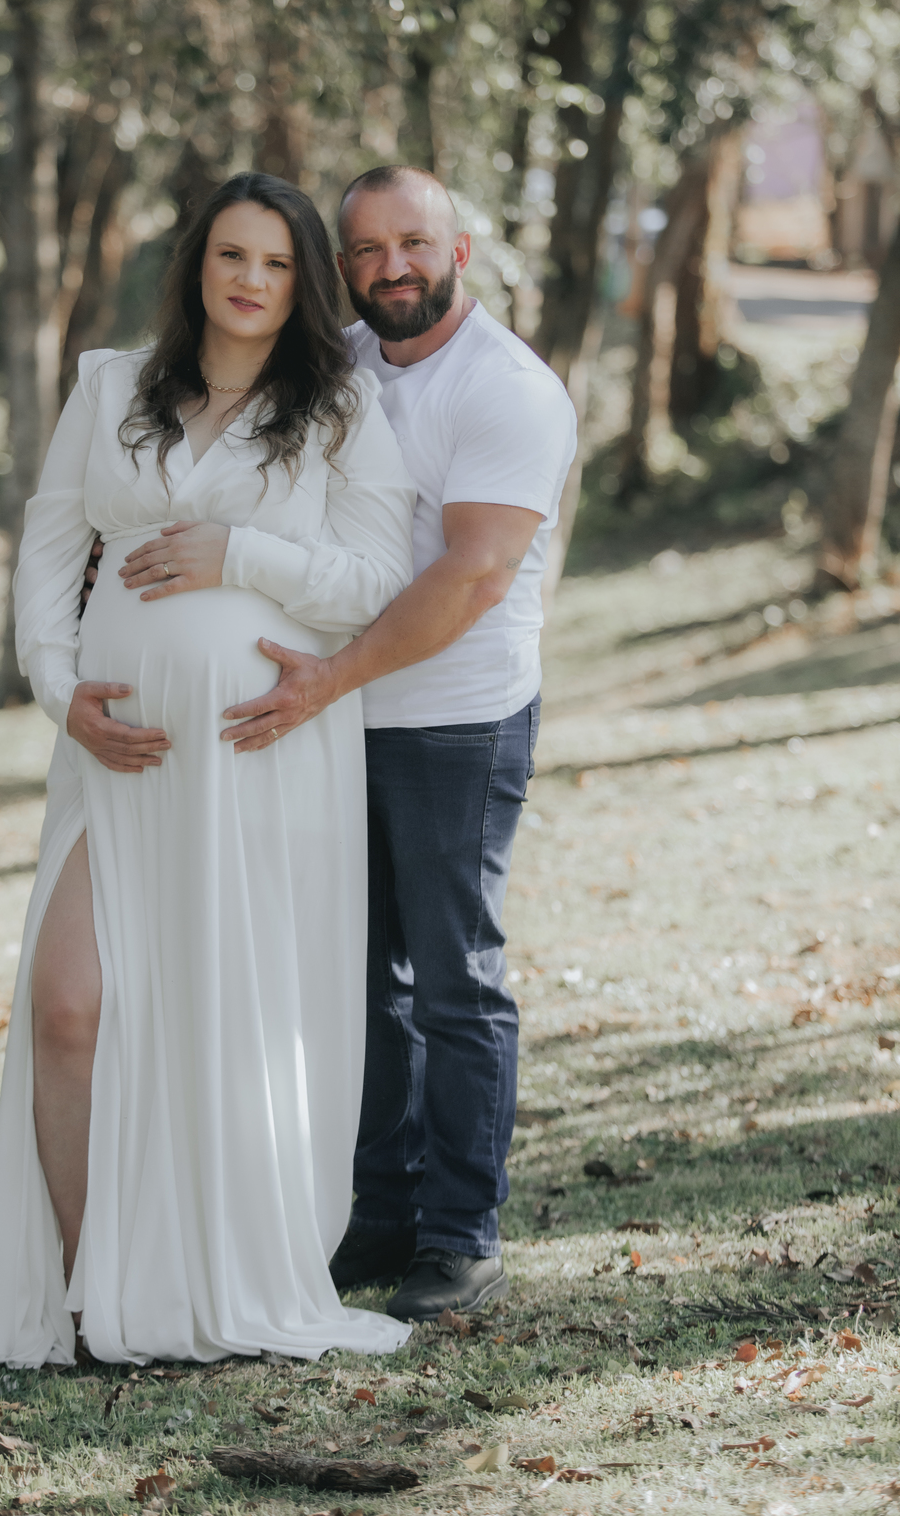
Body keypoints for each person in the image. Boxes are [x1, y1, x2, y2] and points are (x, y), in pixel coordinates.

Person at [0, 172, 415, 1366]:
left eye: (278, 264)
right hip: (115, 756)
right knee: (68, 1007)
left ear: (302, 286)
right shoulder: (110, 387)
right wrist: (60, 694)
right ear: (197, 262)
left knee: (223, 1024)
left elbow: (376, 581)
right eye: (232, 254)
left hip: (261, 757)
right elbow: (51, 548)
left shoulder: (339, 406)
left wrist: (237, 554)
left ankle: (201, 1276)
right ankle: (88, 1293)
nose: (251, 280)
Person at [219, 165, 577, 1322]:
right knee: (361, 980)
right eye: (367, 250)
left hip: (456, 723)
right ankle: (382, 1211)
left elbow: (471, 578)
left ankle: (462, 1238)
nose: (392, 268)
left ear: (458, 250)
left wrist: (329, 678)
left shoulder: (508, 392)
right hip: (339, 720)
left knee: (454, 984)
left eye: (413, 243)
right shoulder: (338, 365)